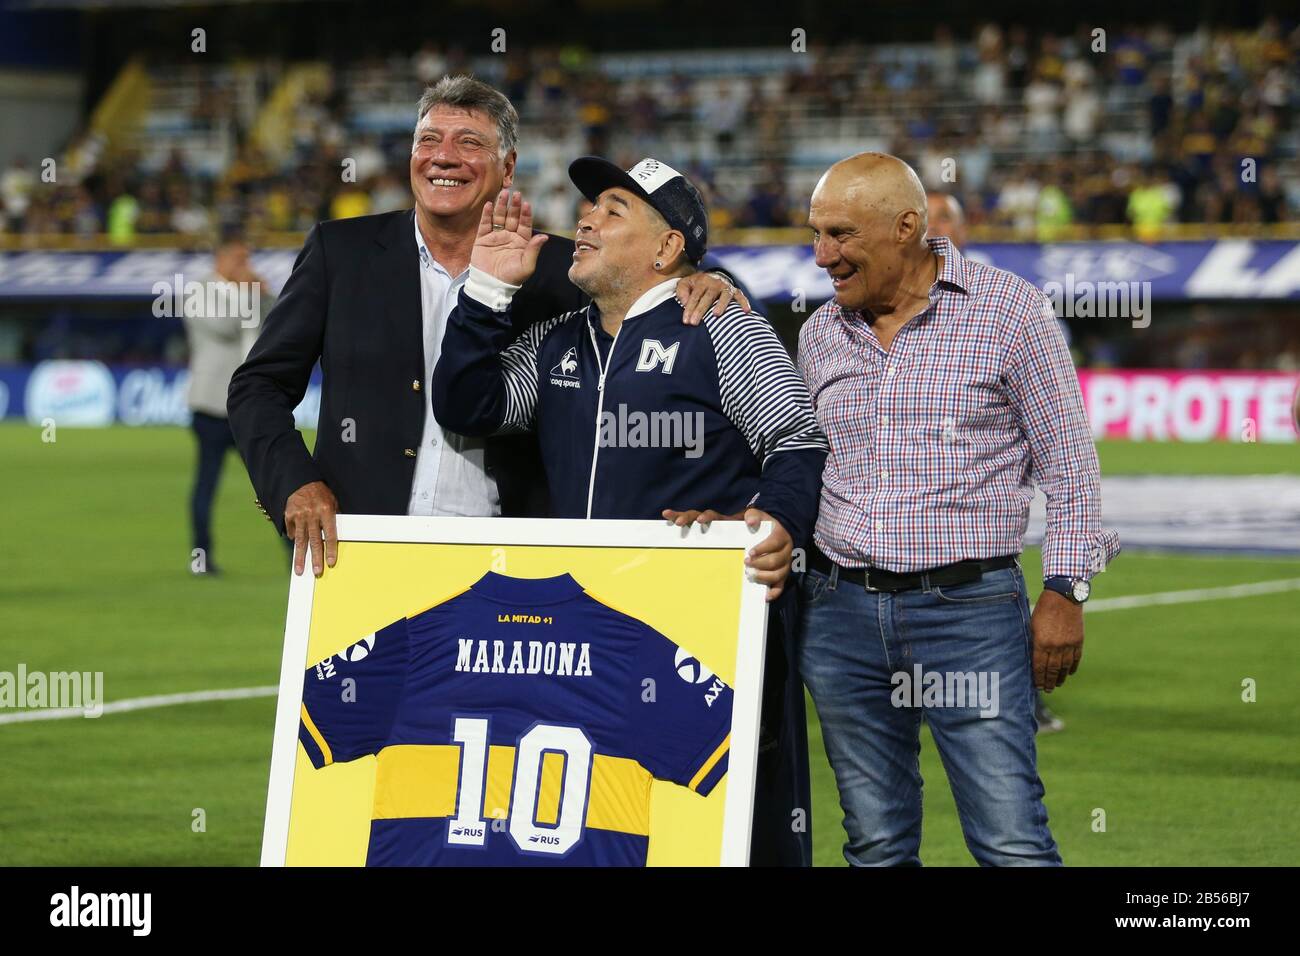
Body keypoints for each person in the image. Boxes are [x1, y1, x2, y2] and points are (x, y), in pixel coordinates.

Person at [431, 157, 828, 866]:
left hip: (702, 632)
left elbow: (795, 438)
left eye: (614, 210)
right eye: (588, 207)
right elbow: (470, 405)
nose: (584, 219)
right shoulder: (559, 341)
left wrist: (773, 522)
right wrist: (486, 290)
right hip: (585, 638)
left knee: (732, 819)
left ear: (667, 248)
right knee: (608, 825)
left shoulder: (720, 325)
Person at [227, 76, 746, 574]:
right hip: (358, 547)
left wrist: (713, 280)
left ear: (509, 166)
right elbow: (259, 386)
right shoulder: (339, 253)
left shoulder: (565, 269)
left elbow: (658, 274)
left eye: (468, 142)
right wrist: (293, 483)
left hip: (515, 562)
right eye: (428, 139)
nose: (443, 156)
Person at [799, 154, 1120, 866]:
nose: (822, 255)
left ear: (906, 227)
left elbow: (1069, 466)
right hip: (839, 611)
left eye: (841, 234)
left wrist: (1066, 591)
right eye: (816, 234)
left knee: (1009, 842)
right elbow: (800, 464)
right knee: (875, 844)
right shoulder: (820, 332)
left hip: (968, 610)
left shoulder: (1010, 311)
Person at [926, 189, 1065, 736]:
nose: (932, 229)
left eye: (943, 219)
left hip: (981, 505)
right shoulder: (873, 300)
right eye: (925, 216)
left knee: (994, 577)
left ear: (964, 230)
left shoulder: (1005, 299)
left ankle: (1022, 698)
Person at [183, 229, 268, 576]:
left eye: (247, 258)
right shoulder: (199, 291)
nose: (244, 265)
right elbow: (226, 326)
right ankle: (202, 558)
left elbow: (276, 319)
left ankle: (299, 555)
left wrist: (259, 294)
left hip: (248, 406)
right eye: (238, 258)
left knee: (272, 481)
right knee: (207, 484)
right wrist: (250, 292)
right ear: (220, 259)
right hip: (212, 406)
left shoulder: (246, 291)